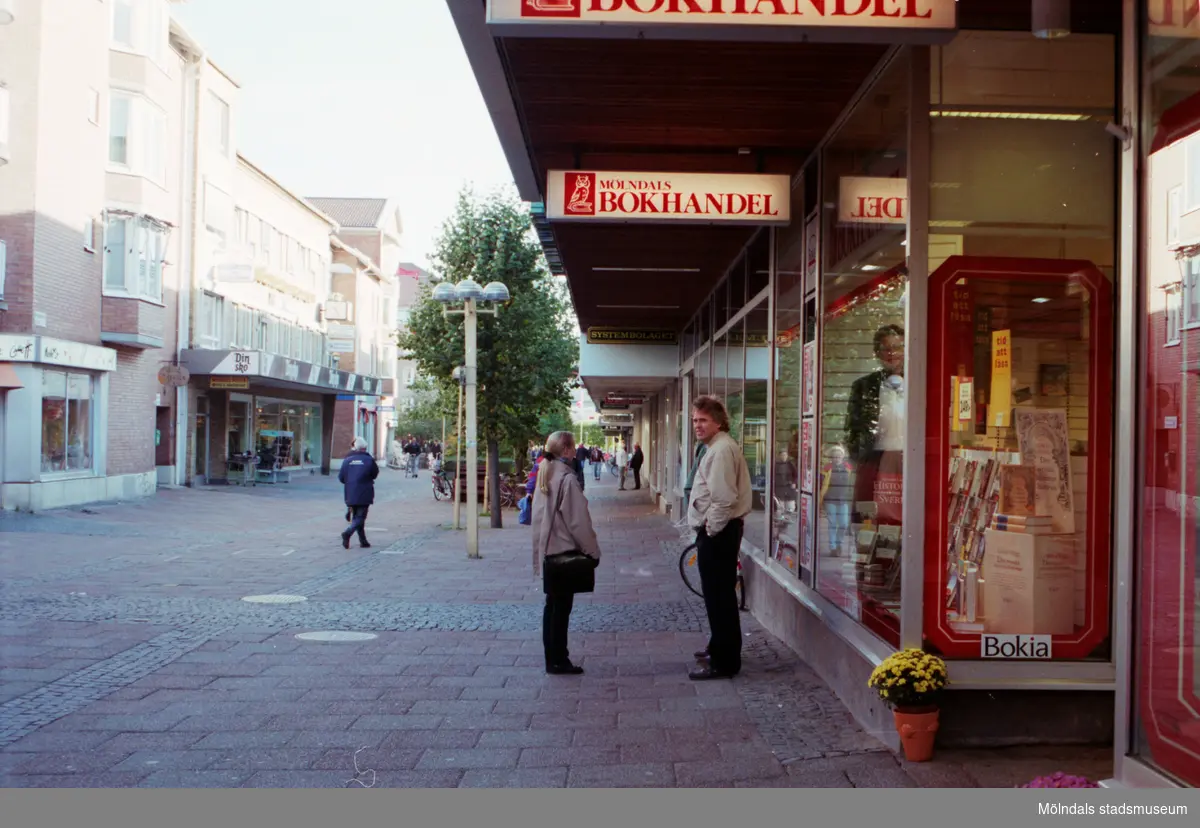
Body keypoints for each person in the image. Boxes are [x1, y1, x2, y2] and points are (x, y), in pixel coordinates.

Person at [687, 395, 752, 681]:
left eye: (703, 420)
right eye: (694, 420)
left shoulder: (722, 449)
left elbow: (724, 499)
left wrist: (710, 531)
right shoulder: (716, 446)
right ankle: (719, 647)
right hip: (719, 532)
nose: (697, 425)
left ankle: (725, 661)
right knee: (717, 595)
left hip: (720, 533)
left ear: (718, 422)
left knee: (720, 597)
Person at [531, 431, 601, 675]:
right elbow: (578, 521)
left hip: (549, 550)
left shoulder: (545, 471)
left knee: (552, 607)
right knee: (561, 609)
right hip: (564, 551)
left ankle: (552, 658)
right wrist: (593, 552)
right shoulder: (567, 479)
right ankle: (559, 660)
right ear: (569, 450)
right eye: (571, 448)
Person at [845, 324, 905, 525]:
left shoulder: (921, 382)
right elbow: (852, 429)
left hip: (910, 463)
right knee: (869, 519)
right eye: (886, 348)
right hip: (875, 463)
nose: (892, 353)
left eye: (897, 347)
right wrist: (861, 457)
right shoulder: (863, 386)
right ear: (877, 353)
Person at [338, 436, 379, 550]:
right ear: (365, 448)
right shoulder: (369, 460)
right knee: (360, 517)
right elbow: (375, 474)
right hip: (364, 491)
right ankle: (347, 533)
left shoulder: (347, 460)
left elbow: (341, 477)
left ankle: (363, 541)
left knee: (357, 516)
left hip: (350, 492)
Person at [820, 445, 855, 556]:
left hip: (843, 499)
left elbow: (852, 483)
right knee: (832, 524)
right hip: (830, 499)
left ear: (842, 456)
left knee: (844, 524)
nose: (836, 458)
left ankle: (839, 543)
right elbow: (821, 483)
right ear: (832, 457)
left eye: (839, 456)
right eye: (834, 457)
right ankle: (833, 548)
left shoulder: (848, 468)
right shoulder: (827, 468)